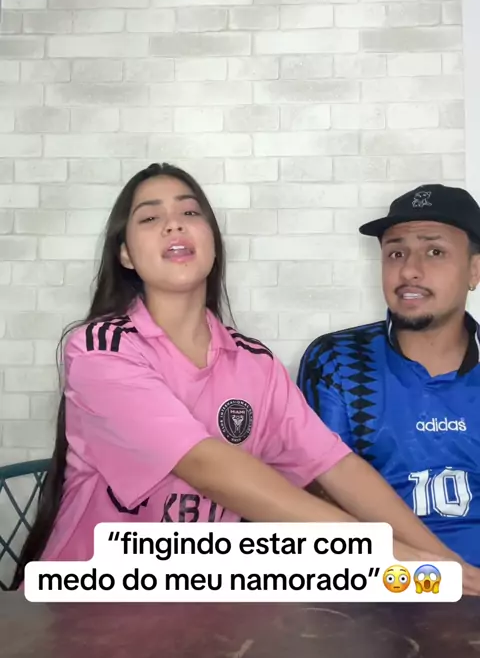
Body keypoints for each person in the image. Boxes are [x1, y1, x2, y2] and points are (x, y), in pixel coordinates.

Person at [11, 168, 480, 593]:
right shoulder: (99, 350)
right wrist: (389, 555)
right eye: (150, 218)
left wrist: (450, 568)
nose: (174, 225)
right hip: (93, 602)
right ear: (126, 255)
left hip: (204, 607)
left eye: (190, 212)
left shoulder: (255, 364)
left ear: (213, 243)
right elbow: (207, 465)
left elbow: (337, 466)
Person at [297, 182, 480, 569]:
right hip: (377, 586)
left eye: (435, 251)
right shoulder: (338, 361)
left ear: (475, 269)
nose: (409, 270)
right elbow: (319, 506)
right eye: (396, 252)